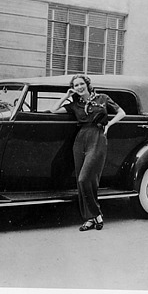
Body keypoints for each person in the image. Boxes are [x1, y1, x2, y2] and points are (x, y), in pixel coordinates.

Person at [51, 74, 126, 231]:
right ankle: (90, 219)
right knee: (83, 180)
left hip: (97, 137)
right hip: (80, 139)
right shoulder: (75, 104)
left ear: (87, 84)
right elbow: (53, 110)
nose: (79, 87)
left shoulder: (102, 98)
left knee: (84, 179)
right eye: (76, 85)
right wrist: (66, 96)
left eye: (81, 84)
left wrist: (109, 124)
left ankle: (97, 214)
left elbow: (121, 113)